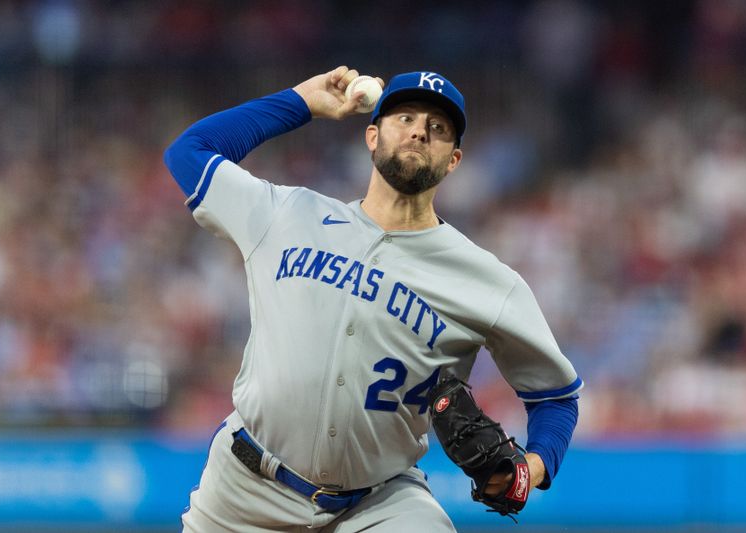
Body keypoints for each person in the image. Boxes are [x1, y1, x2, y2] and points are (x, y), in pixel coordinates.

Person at [164, 66, 582, 533]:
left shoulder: (487, 281)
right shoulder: (285, 213)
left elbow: (556, 398)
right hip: (243, 490)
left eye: (438, 128)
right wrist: (301, 101)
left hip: (379, 504)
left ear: (454, 160)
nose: (420, 130)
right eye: (404, 117)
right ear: (371, 135)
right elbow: (189, 153)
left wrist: (531, 470)